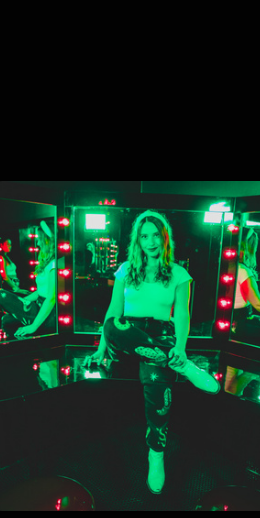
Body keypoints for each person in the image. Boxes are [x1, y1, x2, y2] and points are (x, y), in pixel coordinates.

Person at [92, 210, 218, 494]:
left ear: (164, 238)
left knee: (156, 382)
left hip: (162, 337)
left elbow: (182, 315)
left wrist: (180, 348)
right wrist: (101, 349)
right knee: (114, 326)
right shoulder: (125, 270)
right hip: (128, 337)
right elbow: (113, 311)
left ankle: (156, 453)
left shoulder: (179, 274)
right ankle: (175, 363)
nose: (150, 242)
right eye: (144, 236)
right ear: (137, 240)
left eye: (155, 236)